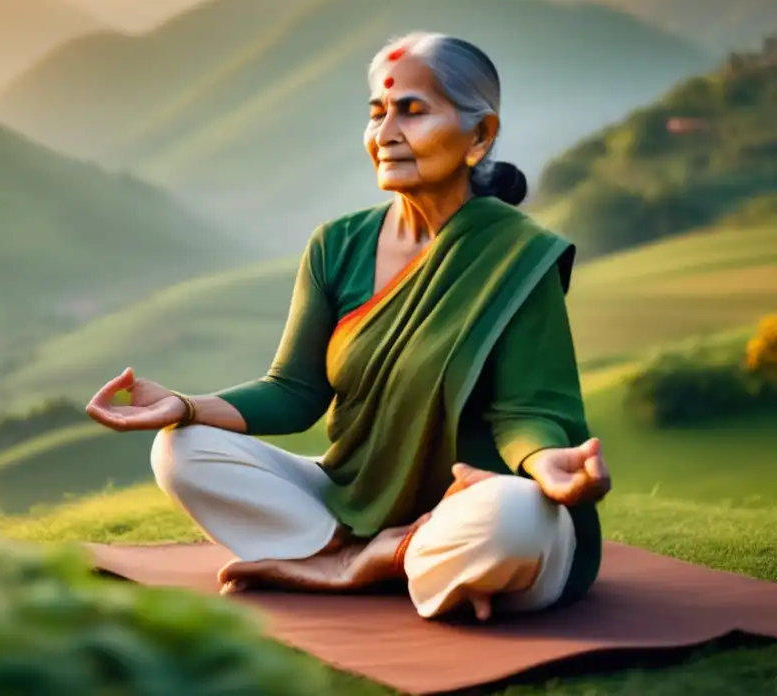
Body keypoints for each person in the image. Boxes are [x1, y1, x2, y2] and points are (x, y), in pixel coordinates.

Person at [86, 31, 611, 622]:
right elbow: (294, 391)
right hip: (353, 498)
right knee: (182, 452)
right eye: (377, 113)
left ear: (480, 134)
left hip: (471, 501)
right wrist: (182, 406)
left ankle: (365, 562)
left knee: (510, 521)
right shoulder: (338, 245)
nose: (386, 134)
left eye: (413, 112)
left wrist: (546, 463)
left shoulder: (516, 256)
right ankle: (372, 552)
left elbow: (526, 411)